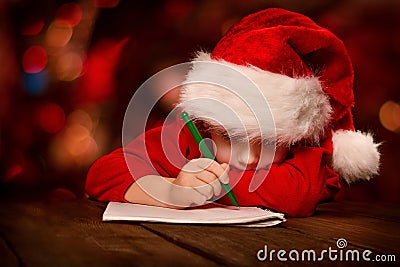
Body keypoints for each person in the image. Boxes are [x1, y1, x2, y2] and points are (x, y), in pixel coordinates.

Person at [85, 8, 380, 217]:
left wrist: (208, 187)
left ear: (291, 134)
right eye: (230, 137)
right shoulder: (190, 130)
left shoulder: (307, 147)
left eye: (267, 142)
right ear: (208, 124)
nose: (248, 158)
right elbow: (102, 175)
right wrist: (171, 189)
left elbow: (294, 197)